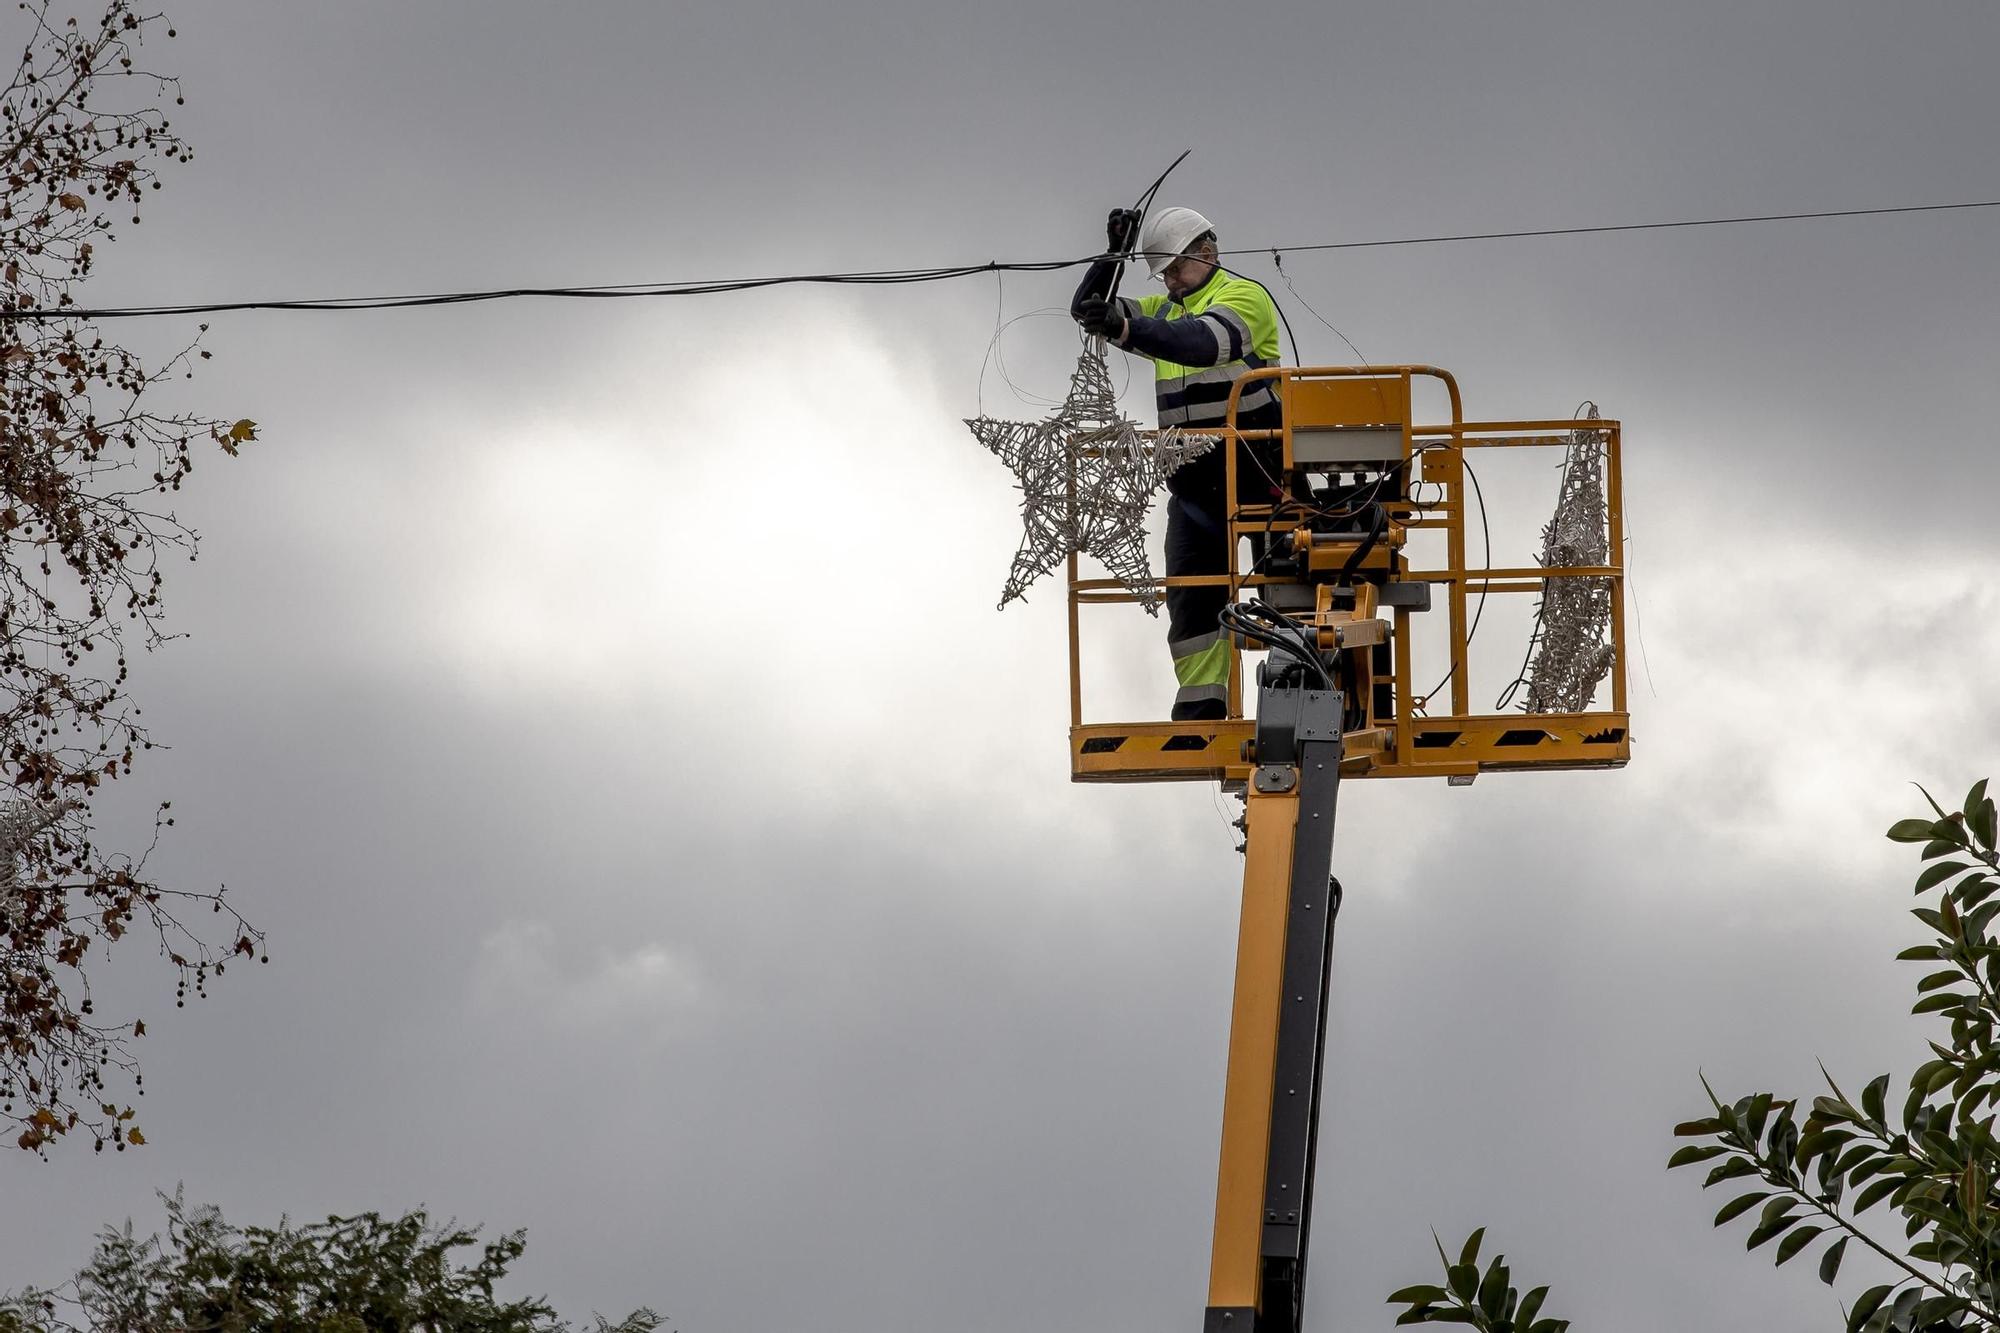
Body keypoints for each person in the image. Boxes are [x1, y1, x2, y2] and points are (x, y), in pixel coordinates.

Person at [1070, 206, 1285, 721]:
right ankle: (1203, 706)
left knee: (1286, 591)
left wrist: (1126, 328)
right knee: (1190, 594)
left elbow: (1200, 344)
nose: (1168, 281)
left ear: (1206, 253)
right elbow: (1088, 308)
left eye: (1174, 269)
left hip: (1260, 474)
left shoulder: (1243, 298)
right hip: (1194, 486)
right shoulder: (1165, 309)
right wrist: (1113, 254)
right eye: (1161, 273)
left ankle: (1299, 691)